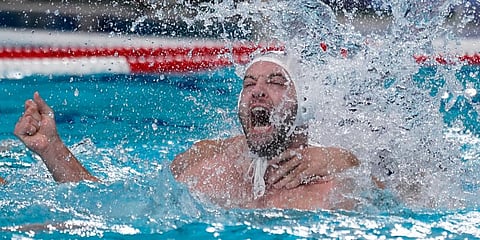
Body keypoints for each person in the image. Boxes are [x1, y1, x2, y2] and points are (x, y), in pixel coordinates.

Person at [13, 51, 359, 210]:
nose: (257, 89)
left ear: (304, 108)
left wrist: (348, 159)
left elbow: (407, 181)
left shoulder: (336, 187)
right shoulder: (208, 164)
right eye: (249, 82)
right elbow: (108, 204)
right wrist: (52, 148)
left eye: (276, 82)